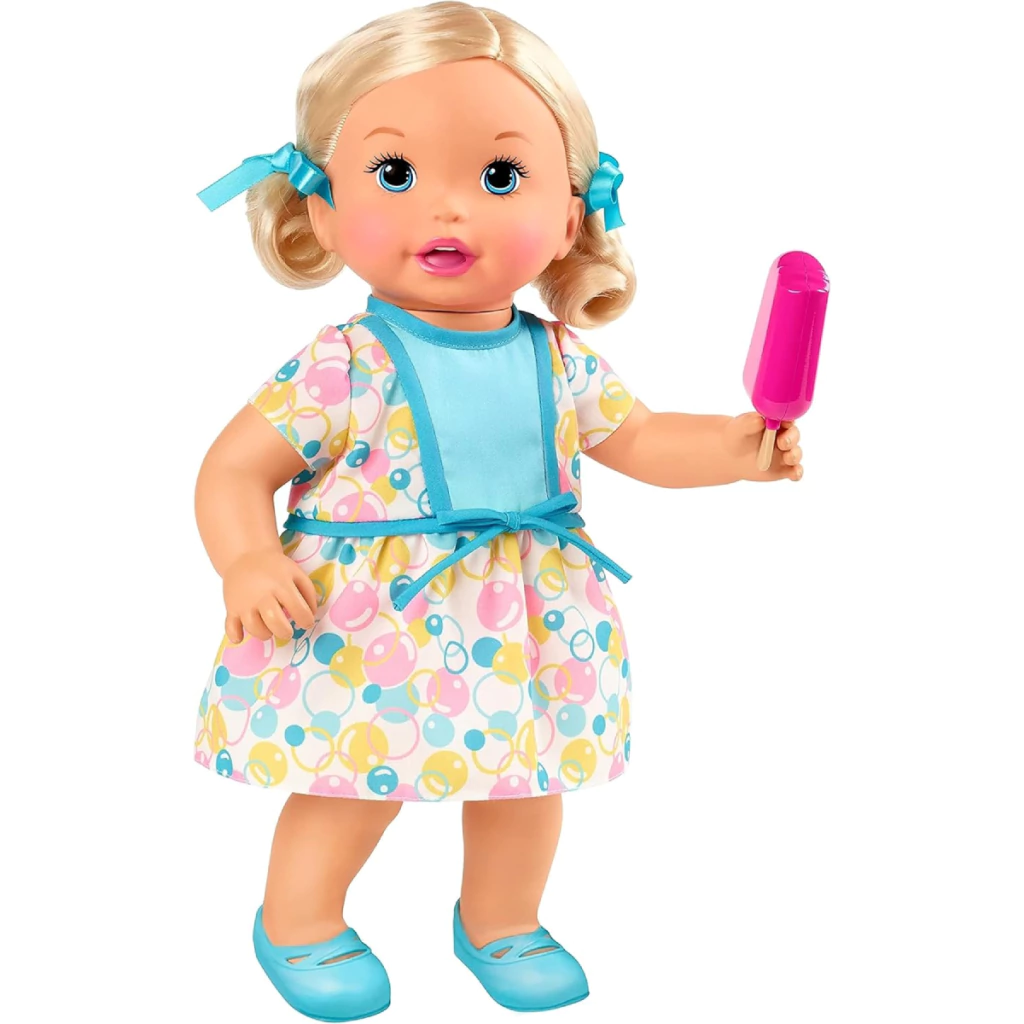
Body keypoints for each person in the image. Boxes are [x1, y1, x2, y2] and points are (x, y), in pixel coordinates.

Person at [193, 3, 803, 1019]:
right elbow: (230, 471)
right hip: (370, 627)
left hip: (526, 622)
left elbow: (644, 438)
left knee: (526, 784)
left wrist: (739, 449)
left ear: (569, 217)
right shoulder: (345, 365)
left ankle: (502, 918)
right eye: (396, 173)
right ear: (324, 209)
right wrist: (247, 559)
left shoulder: (556, 358)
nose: (450, 210)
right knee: (356, 784)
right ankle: (298, 919)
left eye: (502, 176)